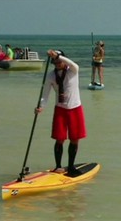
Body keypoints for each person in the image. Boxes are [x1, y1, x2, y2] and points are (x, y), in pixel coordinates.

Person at [35, 49, 87, 177]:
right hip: (60, 109)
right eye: (55, 61)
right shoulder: (51, 76)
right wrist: (41, 106)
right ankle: (58, 166)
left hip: (75, 108)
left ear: (64, 59)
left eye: (59, 60)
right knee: (59, 139)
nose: (57, 63)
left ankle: (70, 167)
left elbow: (75, 64)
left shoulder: (73, 71)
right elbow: (45, 93)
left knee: (75, 139)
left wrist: (58, 55)